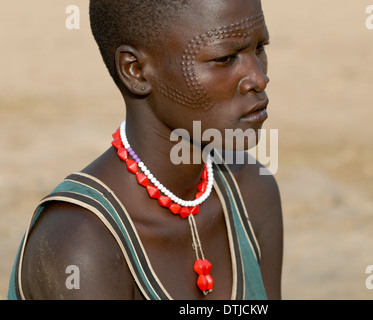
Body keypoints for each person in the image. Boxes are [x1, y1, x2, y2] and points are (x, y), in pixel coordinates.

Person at [8, 0, 283, 300]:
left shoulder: (250, 190)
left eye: (259, 48)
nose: (258, 78)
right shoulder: (80, 242)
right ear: (136, 70)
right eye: (225, 58)